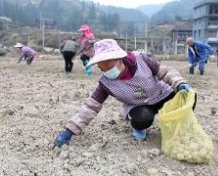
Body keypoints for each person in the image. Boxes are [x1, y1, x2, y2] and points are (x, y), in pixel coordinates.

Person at [54, 39, 193, 148]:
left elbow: (165, 71)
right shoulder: (105, 83)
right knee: (142, 118)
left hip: (162, 94)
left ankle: (177, 126)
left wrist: (179, 83)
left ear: (120, 58)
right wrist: (69, 131)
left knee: (188, 96)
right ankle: (139, 129)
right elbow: (91, 107)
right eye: (102, 68)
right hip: (139, 106)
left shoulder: (140, 59)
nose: (106, 71)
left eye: (109, 66)